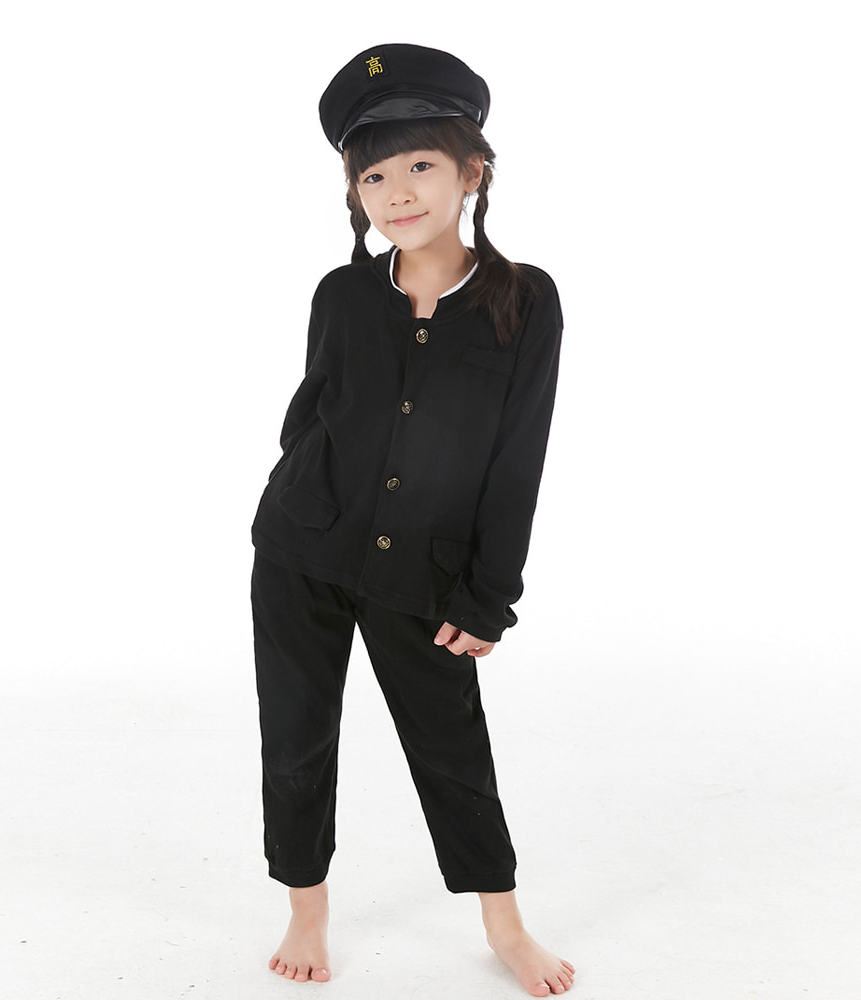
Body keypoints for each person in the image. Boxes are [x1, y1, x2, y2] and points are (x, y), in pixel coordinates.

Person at [250, 43, 573, 996]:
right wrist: (309, 492)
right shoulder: (342, 294)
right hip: (302, 554)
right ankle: (306, 907)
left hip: (423, 574)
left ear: (473, 170)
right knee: (297, 739)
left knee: (451, 749)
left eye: (421, 165)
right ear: (354, 192)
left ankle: (504, 924)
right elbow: (309, 414)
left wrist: (489, 595)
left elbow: (518, 459)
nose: (396, 192)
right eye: (373, 175)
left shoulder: (525, 301)